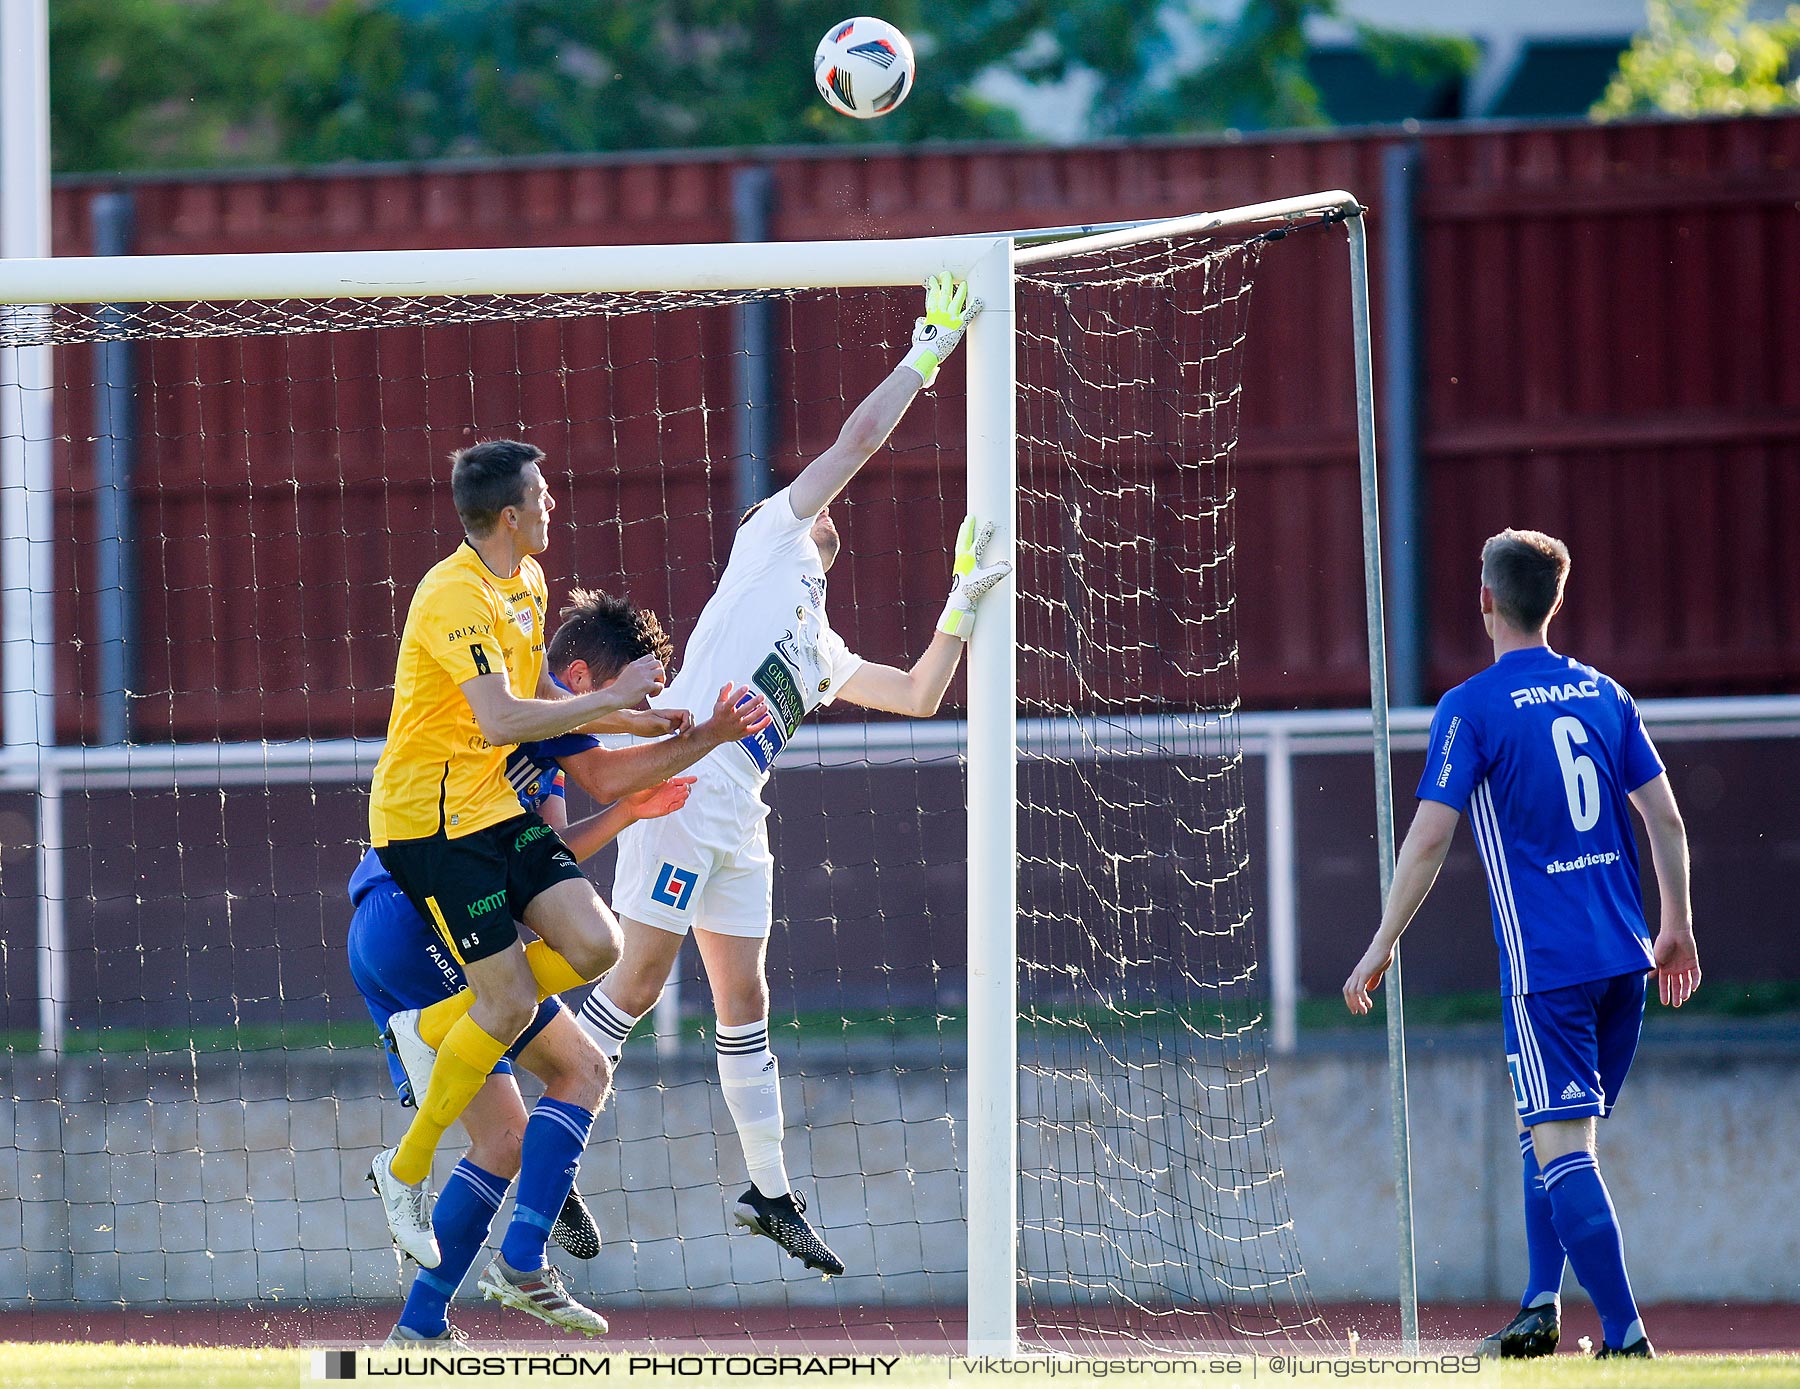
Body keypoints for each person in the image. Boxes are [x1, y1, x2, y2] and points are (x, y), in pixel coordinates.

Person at [573, 272, 1010, 1277]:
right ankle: (542, 1157)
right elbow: (857, 444)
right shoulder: (769, 538)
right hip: (683, 798)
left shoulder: (821, 637)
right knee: (635, 985)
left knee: (747, 1002)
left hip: (741, 824)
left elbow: (913, 694)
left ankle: (769, 1192)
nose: (829, 504)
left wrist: (958, 607)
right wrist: (928, 351)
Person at [351, 590, 770, 1343]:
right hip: (417, 921)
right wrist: (706, 733)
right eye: (627, 686)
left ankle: (421, 1327)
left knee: (538, 1107)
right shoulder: (519, 700)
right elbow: (606, 769)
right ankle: (511, 1250)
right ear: (575, 677)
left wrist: (627, 810)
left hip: (406, 930)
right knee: (576, 1064)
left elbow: (548, 860)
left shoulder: (548, 737)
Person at [1342, 529, 1699, 1361]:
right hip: (1626, 957)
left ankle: (1626, 1337)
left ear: (1485, 601)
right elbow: (1668, 818)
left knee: (1564, 1148)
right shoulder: (1606, 694)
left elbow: (1429, 838)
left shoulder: (1471, 706)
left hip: (1548, 971)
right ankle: (1540, 1307)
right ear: (1557, 602)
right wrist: (1676, 922)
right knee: (1552, 1133)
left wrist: (1380, 941)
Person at [365, 439, 679, 1294]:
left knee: (598, 944)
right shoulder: (450, 594)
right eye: (543, 494)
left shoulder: (530, 584)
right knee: (506, 1001)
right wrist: (614, 700)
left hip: (491, 808)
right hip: (428, 825)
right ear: (509, 514)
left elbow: (537, 702)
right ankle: (403, 1169)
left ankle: (430, 1029)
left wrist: (646, 724)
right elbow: (504, 719)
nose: (554, 505)